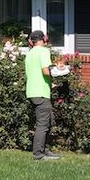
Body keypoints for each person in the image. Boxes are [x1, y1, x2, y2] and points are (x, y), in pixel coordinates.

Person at [24, 29, 58, 161]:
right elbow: (45, 71)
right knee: (43, 125)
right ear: (45, 38)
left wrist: (51, 84)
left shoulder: (30, 53)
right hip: (41, 93)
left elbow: (35, 74)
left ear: (31, 41)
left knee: (48, 122)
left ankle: (45, 150)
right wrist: (61, 72)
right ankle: (38, 154)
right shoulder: (44, 51)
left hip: (33, 91)